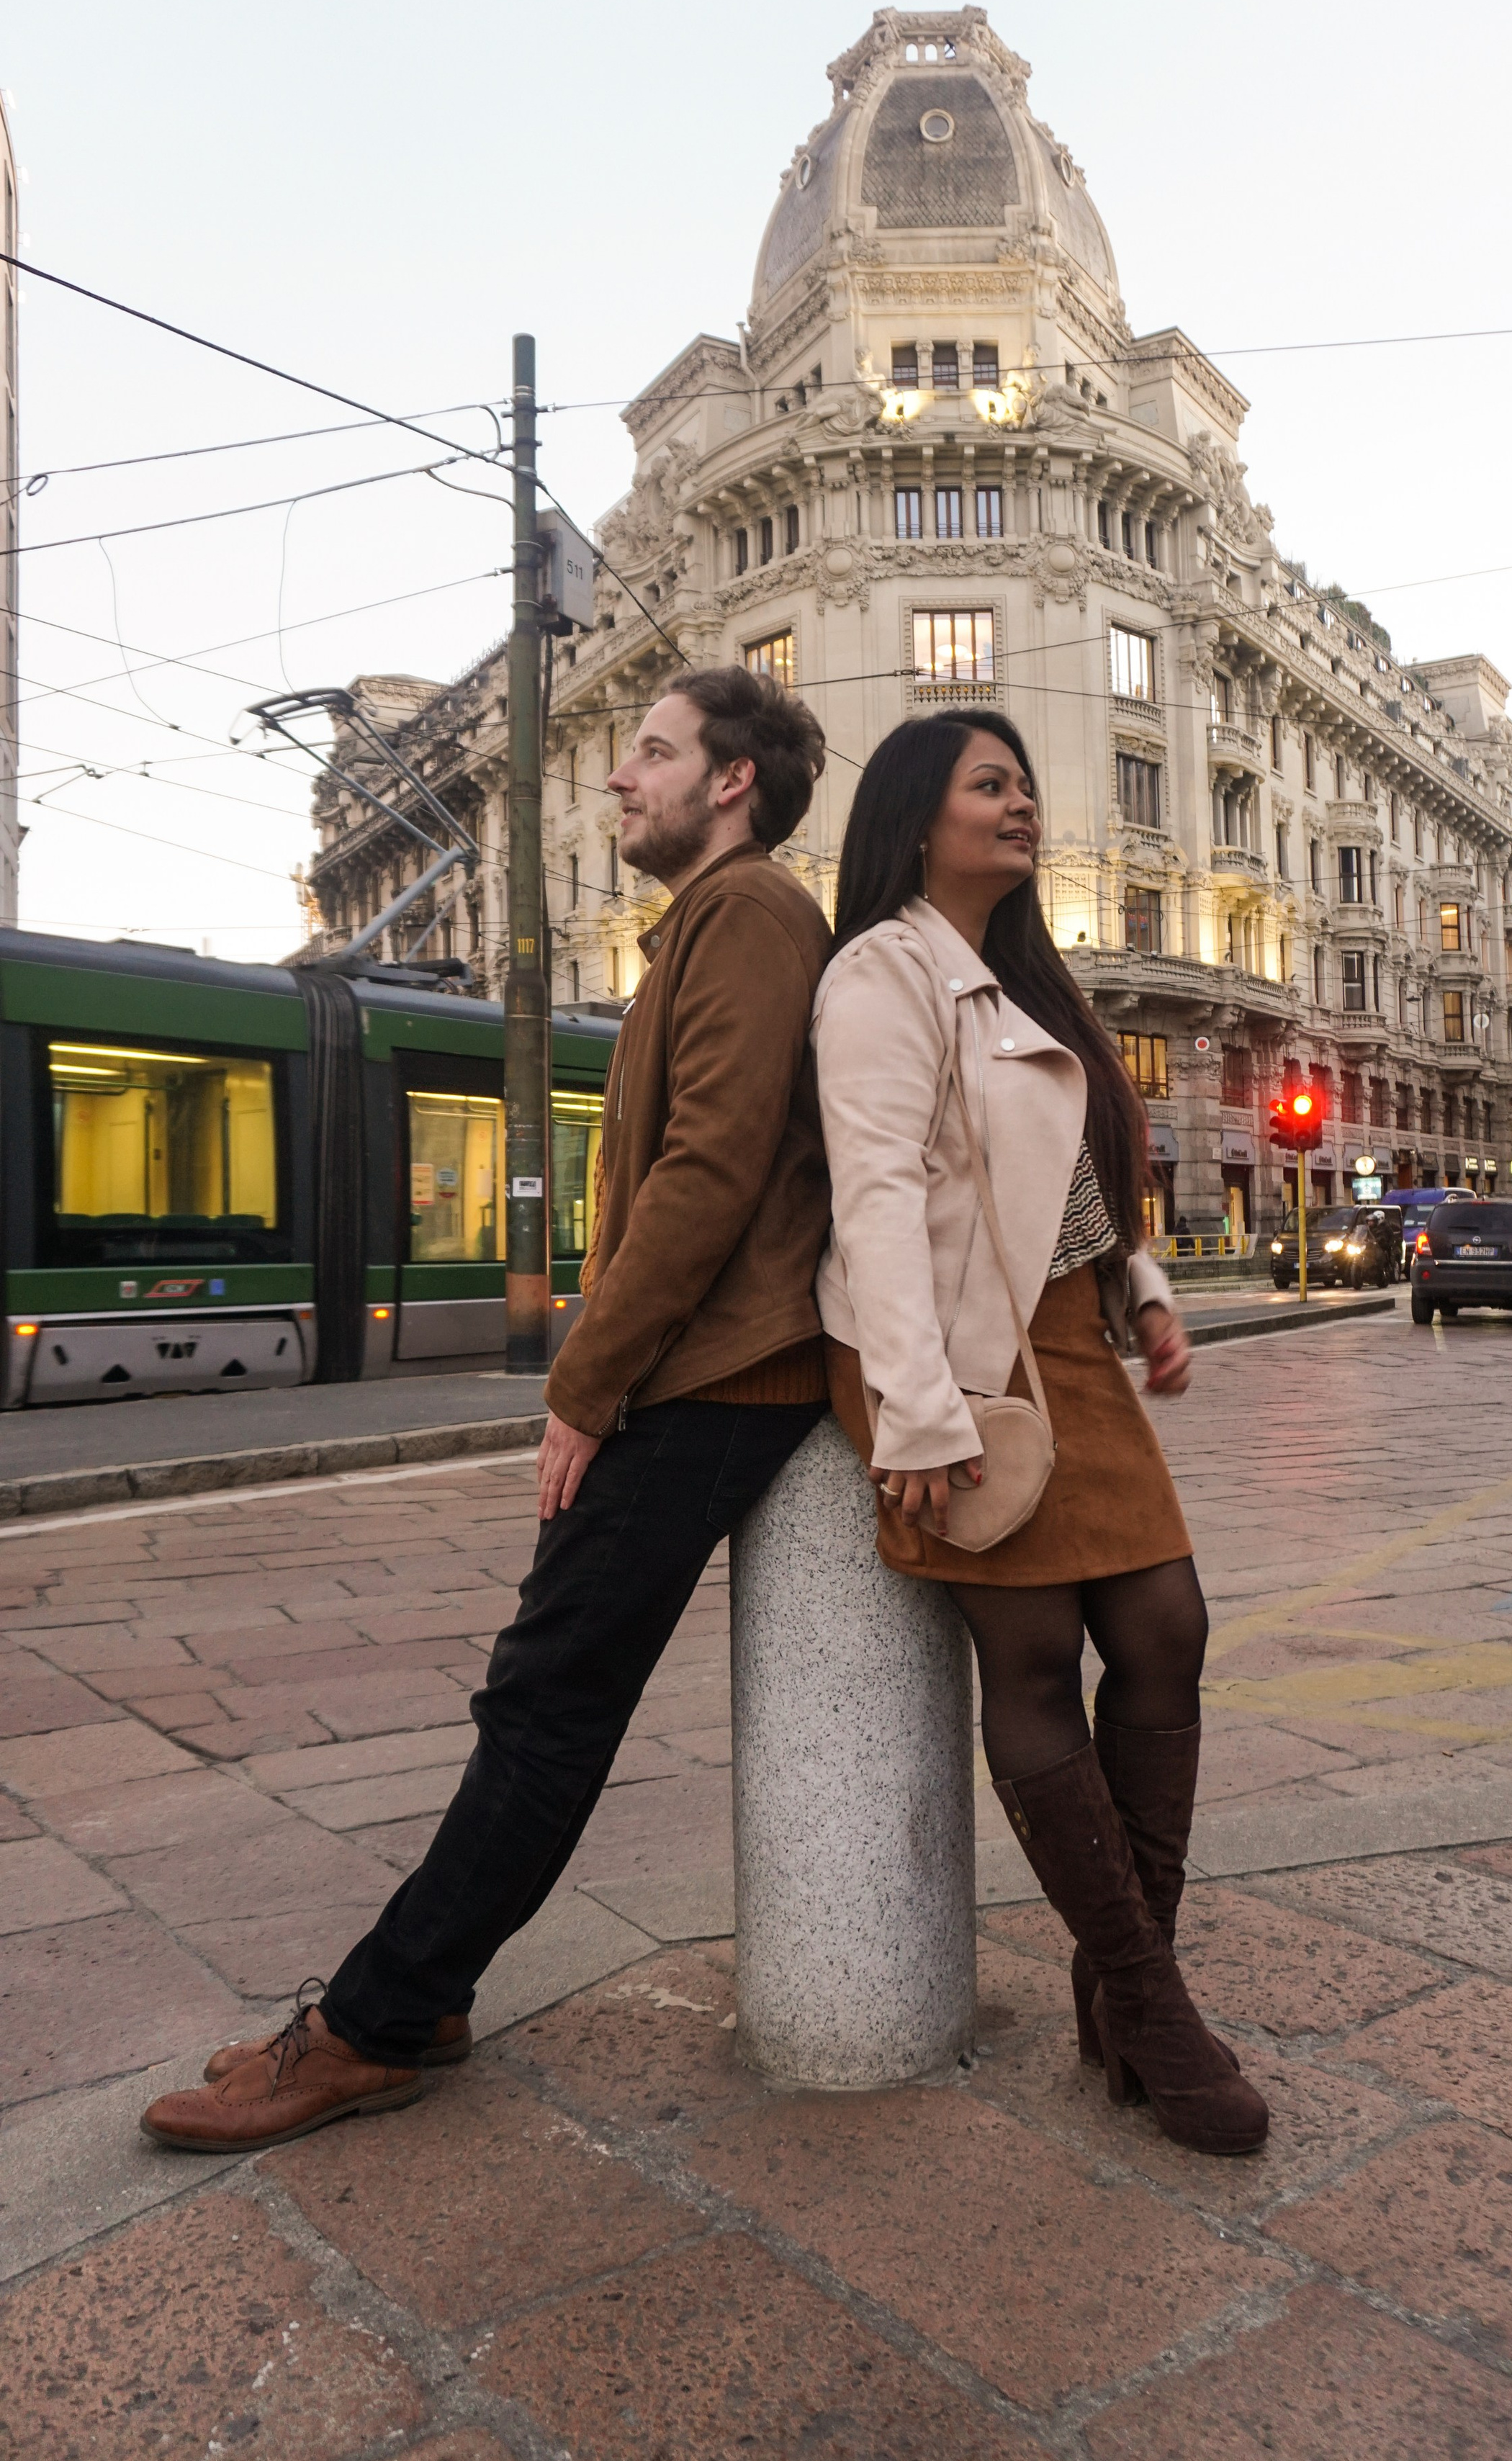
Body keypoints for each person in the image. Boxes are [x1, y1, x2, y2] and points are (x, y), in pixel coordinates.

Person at [145, 666, 834, 2152]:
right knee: (542, 1697)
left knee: (546, 1705)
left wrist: (584, 1384)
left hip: (708, 1376)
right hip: (698, 1367)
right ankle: (424, 1991)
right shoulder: (709, 926)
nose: (617, 778)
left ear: (731, 782)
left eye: (649, 754)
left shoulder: (753, 914)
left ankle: (374, 2025)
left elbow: (707, 1173)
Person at [811, 711, 1268, 2158]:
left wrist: (1136, 1285)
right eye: (988, 786)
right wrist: (916, 1407)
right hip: (946, 1355)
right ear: (915, 815)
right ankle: (1150, 2000)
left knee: (1164, 1630)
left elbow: (1067, 1184)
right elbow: (875, 1195)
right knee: (1027, 1657)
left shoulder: (1022, 978)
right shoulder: (880, 973)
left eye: (1022, 786)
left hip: (1060, 1338)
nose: (1020, 807)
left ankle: (1117, 1988)